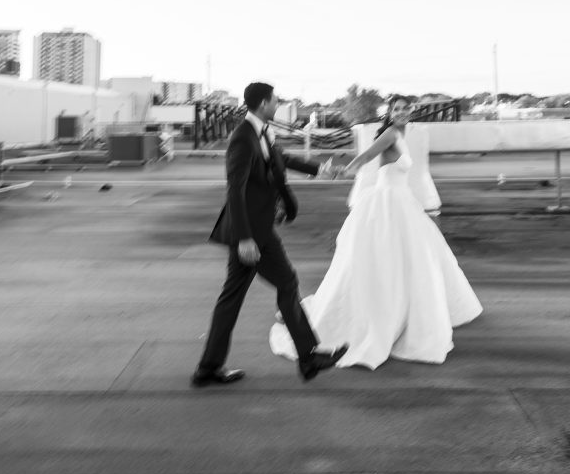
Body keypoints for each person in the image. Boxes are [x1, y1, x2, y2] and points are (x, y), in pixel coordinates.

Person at [270, 97, 482, 369]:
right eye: (397, 109)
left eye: (406, 108)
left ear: (411, 111)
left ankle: (404, 313)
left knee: (414, 259)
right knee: (391, 260)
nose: (403, 112)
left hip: (403, 201)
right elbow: (367, 156)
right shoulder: (390, 133)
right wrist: (341, 171)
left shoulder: (404, 134)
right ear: (390, 114)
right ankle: (384, 316)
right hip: (387, 203)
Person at [192, 82, 348, 387]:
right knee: (287, 282)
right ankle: (309, 357)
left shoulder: (262, 132)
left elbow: (283, 160)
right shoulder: (243, 139)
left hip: (255, 228)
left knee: (231, 299)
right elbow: (234, 190)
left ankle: (208, 368)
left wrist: (321, 169)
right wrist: (245, 238)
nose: (278, 103)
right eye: (275, 99)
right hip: (253, 232)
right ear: (264, 103)